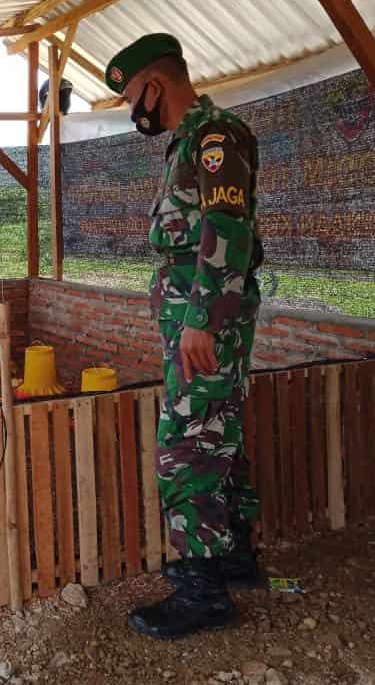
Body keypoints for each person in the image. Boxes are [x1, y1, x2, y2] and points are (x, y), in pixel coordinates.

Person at [104, 33, 264, 639]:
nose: (130, 108)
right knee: (218, 431)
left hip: (204, 321)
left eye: (130, 95)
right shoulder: (189, 142)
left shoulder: (214, 136)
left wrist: (201, 319)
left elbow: (226, 228)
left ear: (156, 83)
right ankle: (231, 557)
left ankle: (203, 593)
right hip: (196, 318)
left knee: (187, 442)